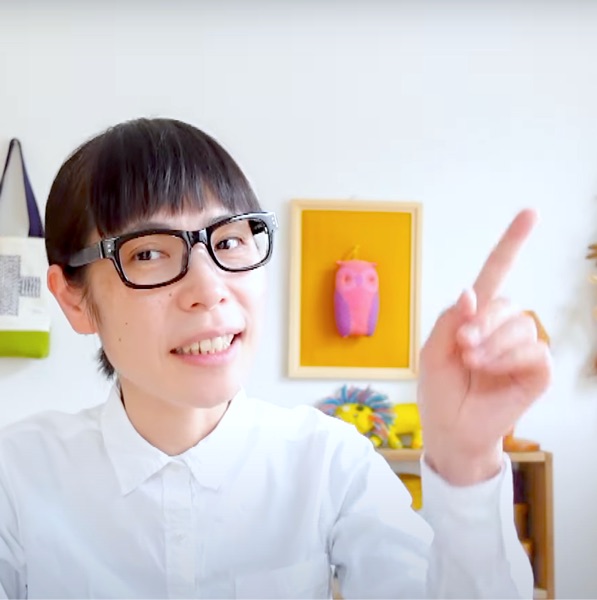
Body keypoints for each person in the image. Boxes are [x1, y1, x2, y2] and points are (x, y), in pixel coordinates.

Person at [0, 118, 551, 599]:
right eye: (147, 253)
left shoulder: (328, 462)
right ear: (74, 299)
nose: (209, 288)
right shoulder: (18, 477)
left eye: (229, 242)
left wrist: (467, 461)